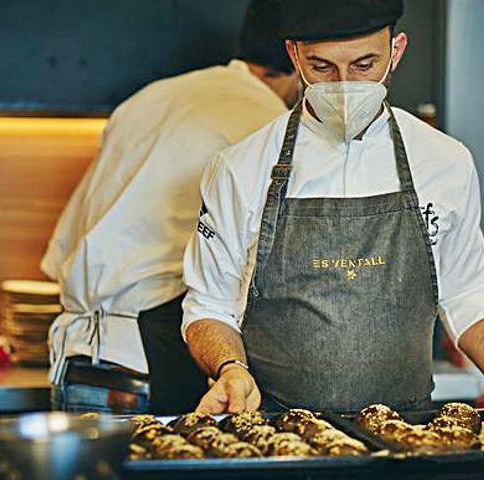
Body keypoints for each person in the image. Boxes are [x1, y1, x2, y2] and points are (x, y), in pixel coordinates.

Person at [182, 0, 484, 414]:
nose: (343, 85)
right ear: (294, 55)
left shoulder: (445, 162)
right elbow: (208, 306)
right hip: (278, 444)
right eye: (322, 68)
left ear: (396, 50)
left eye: (364, 65)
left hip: (409, 444)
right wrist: (230, 368)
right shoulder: (239, 168)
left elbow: (466, 291)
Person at [41, 0, 299, 415]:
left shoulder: (153, 97)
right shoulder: (269, 121)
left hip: (77, 357)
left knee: (92, 479)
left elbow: (62, 252)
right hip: (154, 353)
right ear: (298, 55)